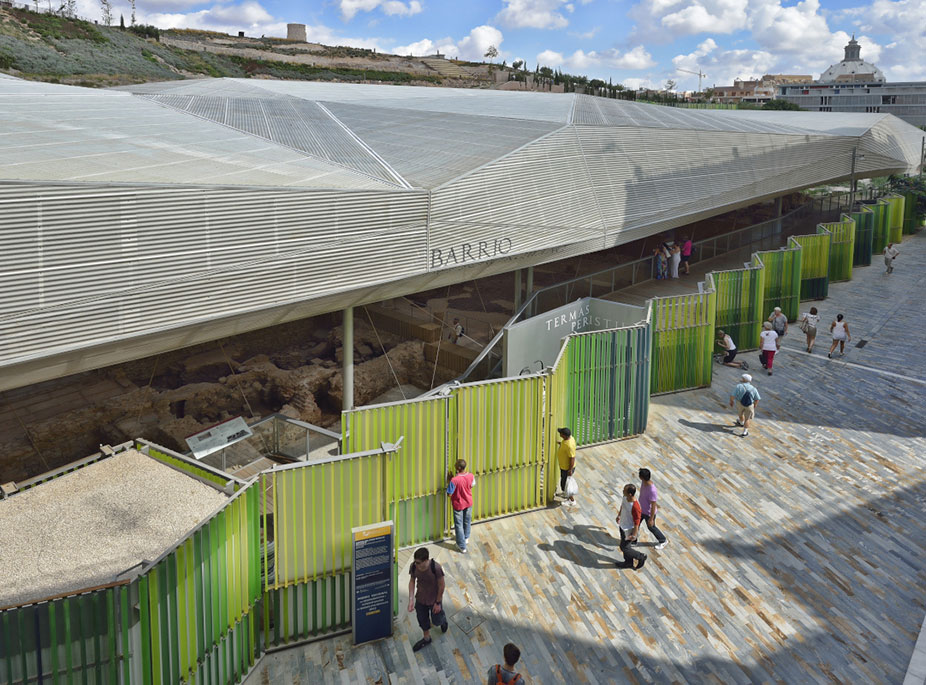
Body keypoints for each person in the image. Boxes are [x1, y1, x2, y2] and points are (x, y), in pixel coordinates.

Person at [407, 547, 448, 651]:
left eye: (418, 562)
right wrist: (411, 599)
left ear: (426, 560)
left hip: (434, 600)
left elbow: (442, 586)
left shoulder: (436, 568)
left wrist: (438, 603)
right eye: (415, 562)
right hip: (421, 598)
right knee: (422, 619)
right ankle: (426, 638)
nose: (416, 564)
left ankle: (443, 621)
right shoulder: (414, 567)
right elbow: (412, 581)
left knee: (437, 620)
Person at [446, 459, 475, 554]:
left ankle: (462, 546)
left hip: (458, 504)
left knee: (458, 525)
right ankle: (466, 538)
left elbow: (449, 494)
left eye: (455, 465)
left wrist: (449, 481)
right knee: (467, 521)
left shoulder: (454, 480)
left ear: (458, 468)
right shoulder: (471, 476)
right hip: (468, 502)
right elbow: (472, 485)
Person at [615, 483, 647, 570]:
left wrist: (634, 535)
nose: (623, 491)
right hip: (622, 525)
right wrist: (619, 515)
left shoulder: (635, 507)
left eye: (624, 490)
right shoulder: (625, 498)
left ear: (629, 494)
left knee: (624, 547)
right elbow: (622, 506)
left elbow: (637, 522)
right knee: (625, 546)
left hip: (629, 529)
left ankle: (640, 556)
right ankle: (628, 563)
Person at [638, 468, 668, 550]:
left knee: (651, 527)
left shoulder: (652, 490)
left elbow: (653, 505)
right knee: (636, 523)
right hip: (641, 509)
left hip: (648, 513)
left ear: (641, 477)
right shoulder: (644, 482)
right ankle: (633, 539)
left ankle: (663, 540)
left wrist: (651, 519)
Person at [556, 427, 577, 506]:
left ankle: (571, 500)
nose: (560, 434)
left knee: (565, 484)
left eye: (561, 433)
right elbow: (565, 446)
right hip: (564, 467)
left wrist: (570, 470)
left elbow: (572, 458)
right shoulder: (569, 439)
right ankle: (565, 494)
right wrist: (560, 443)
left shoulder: (569, 445)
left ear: (564, 435)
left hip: (567, 468)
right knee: (564, 483)